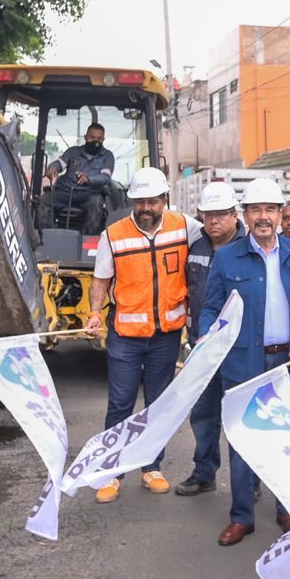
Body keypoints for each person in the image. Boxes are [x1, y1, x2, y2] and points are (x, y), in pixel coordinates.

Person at [198, 177, 290, 546]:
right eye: (255, 210)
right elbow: (212, 307)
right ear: (244, 215)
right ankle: (242, 516)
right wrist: (206, 336)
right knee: (243, 441)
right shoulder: (227, 257)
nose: (263, 217)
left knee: (287, 439)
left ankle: (286, 510)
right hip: (242, 362)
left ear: (281, 214)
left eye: (270, 210)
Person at [84, 166, 197, 502]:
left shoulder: (185, 227)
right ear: (132, 201)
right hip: (126, 335)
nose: (146, 208)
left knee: (157, 405)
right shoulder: (114, 235)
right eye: (140, 202)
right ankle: (111, 472)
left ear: (165, 199)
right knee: (120, 404)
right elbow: (101, 280)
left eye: (153, 201)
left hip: (166, 335)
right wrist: (93, 312)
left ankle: (151, 467)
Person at [176, 182, 244, 497]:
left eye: (220, 214)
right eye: (208, 215)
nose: (213, 221)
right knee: (203, 412)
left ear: (234, 214)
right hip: (201, 343)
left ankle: (249, 482)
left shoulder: (250, 244)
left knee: (241, 417)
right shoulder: (196, 244)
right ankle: (204, 472)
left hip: (240, 348)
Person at [49, 123, 115, 234]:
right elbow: (59, 164)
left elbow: (106, 177)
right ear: (85, 137)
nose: (95, 141)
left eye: (99, 138)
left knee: (96, 204)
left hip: (89, 195)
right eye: (92, 137)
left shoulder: (107, 156)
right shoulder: (73, 152)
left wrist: (89, 179)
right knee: (44, 201)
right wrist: (53, 168)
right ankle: (44, 238)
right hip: (66, 192)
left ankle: (88, 242)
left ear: (103, 139)